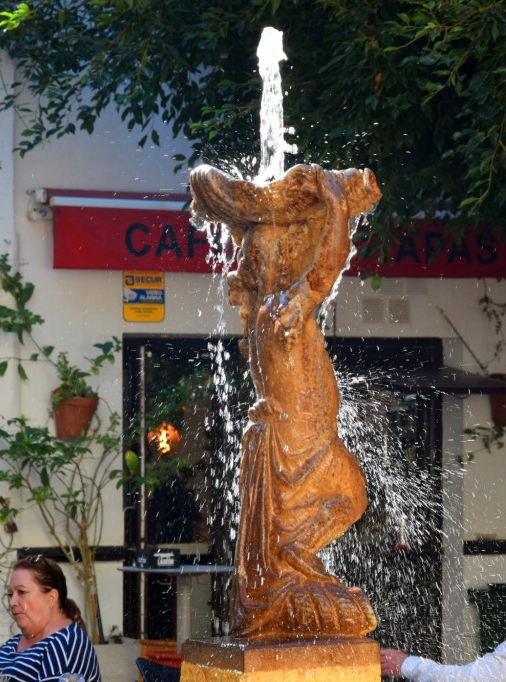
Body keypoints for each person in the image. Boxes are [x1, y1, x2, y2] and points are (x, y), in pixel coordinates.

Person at [190, 162, 382, 639]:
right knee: (353, 496)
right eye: (291, 252)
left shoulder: (260, 316)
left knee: (353, 495)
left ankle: (297, 550)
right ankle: (297, 552)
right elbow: (328, 268)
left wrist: (243, 223)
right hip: (302, 439)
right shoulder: (285, 311)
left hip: (299, 435)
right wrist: (336, 206)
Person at [0, 556, 101, 682]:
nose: (12, 602)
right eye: (10, 594)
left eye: (21, 592)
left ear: (51, 597)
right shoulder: (12, 644)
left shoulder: (66, 644)